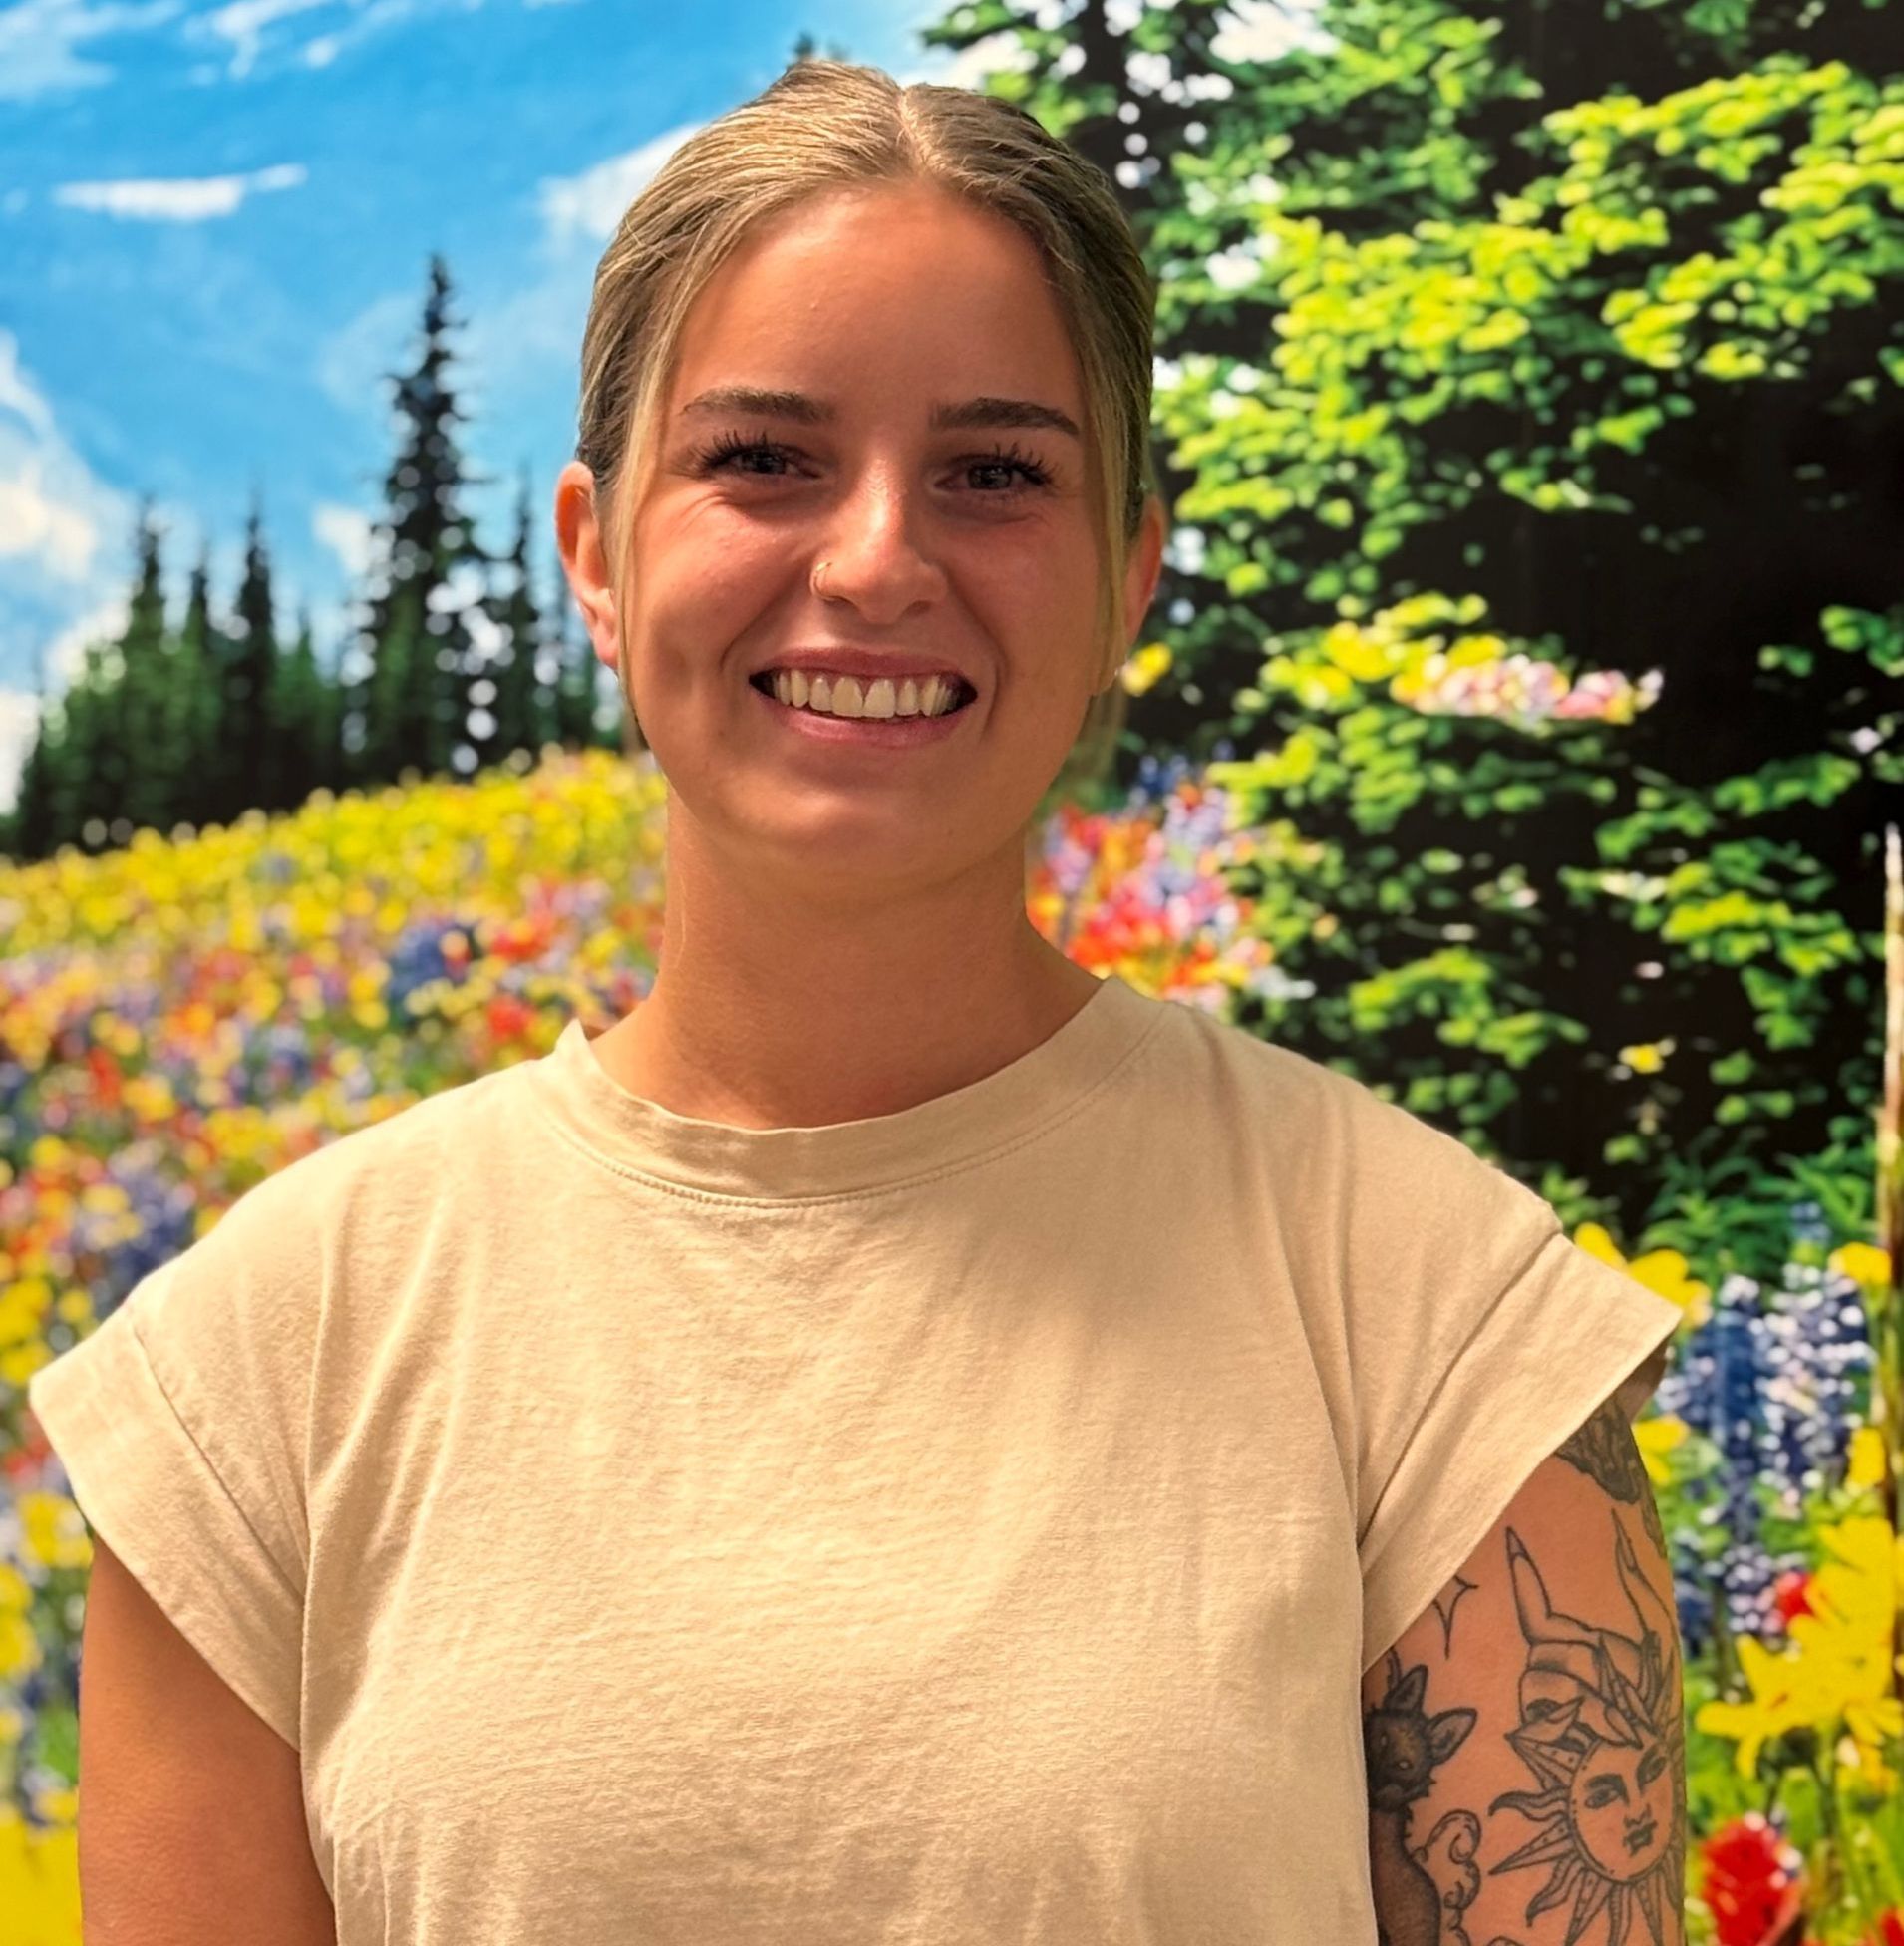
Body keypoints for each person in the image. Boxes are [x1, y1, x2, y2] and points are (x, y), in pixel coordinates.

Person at [27, 57, 1686, 1946]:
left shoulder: (1431, 1326)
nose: (877, 559)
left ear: (1126, 571)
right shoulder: (260, 1368)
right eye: (761, 458)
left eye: (994, 472)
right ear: (593, 549)